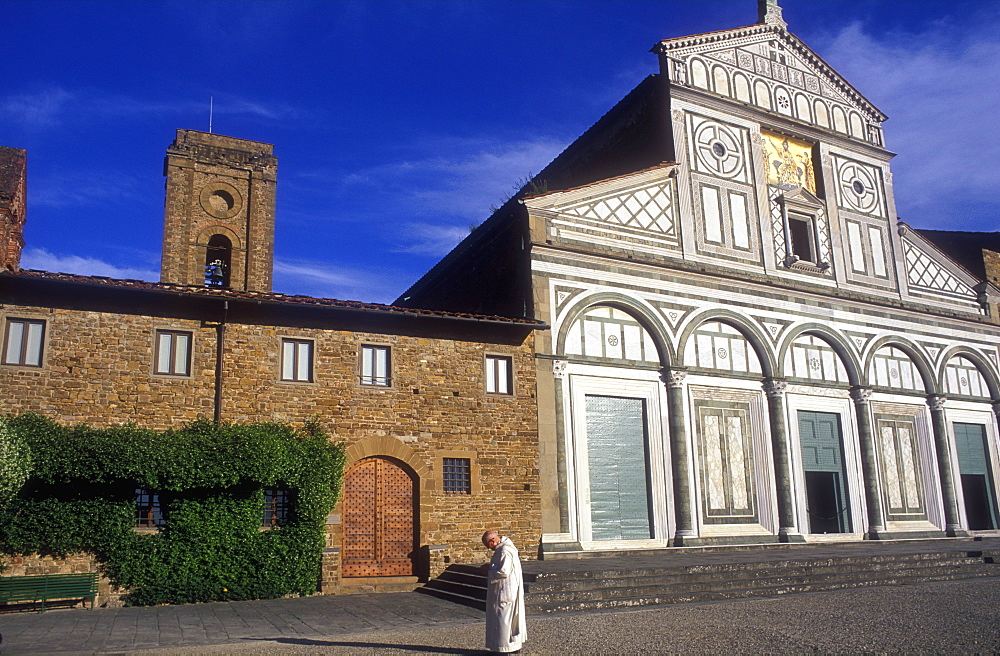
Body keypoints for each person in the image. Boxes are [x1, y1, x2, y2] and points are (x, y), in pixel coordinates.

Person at [481, 530, 526, 654]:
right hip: (505, 590)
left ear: (492, 541)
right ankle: (510, 646)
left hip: (505, 592)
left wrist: (488, 572)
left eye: (487, 545)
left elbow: (503, 572)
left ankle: (504, 648)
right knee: (505, 620)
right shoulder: (504, 550)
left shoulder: (504, 551)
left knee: (503, 620)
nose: (488, 548)